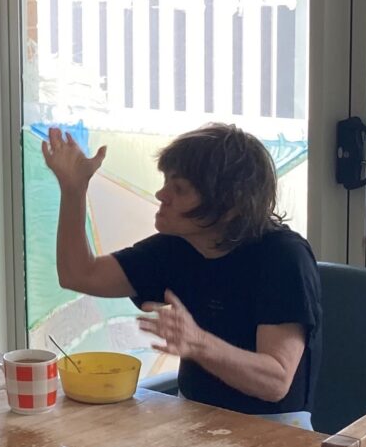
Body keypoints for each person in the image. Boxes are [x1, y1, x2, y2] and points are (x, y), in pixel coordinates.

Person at [42, 122, 322, 430]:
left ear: (228, 207)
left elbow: (276, 380)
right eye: (166, 182)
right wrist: (73, 189)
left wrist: (196, 342)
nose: (161, 194)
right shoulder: (176, 247)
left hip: (277, 435)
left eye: (180, 189)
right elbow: (79, 274)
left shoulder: (283, 257)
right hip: (195, 424)